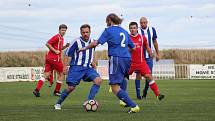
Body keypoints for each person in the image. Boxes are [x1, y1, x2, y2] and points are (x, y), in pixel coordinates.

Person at [79, 13, 140, 114]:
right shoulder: (125, 31)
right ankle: (123, 100)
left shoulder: (108, 30)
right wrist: (123, 51)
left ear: (110, 21)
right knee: (123, 79)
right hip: (127, 58)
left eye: (106, 21)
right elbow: (133, 48)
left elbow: (96, 43)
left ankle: (133, 106)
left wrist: (84, 48)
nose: (106, 23)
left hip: (116, 58)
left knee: (114, 87)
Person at [54, 24, 102, 110]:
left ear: (90, 32)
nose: (85, 34)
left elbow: (92, 52)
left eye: (87, 32)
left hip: (88, 68)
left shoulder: (93, 42)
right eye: (83, 32)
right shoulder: (76, 42)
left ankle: (89, 101)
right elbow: (66, 54)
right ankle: (58, 103)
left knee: (98, 81)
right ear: (80, 32)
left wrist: (93, 62)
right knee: (71, 88)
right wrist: (65, 67)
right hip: (76, 68)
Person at [121, 22, 164, 101]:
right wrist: (129, 49)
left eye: (134, 28)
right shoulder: (127, 38)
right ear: (129, 29)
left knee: (149, 76)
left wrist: (150, 52)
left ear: (137, 29)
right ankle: (122, 96)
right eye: (131, 28)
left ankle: (158, 95)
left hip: (141, 62)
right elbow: (123, 49)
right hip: (130, 63)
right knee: (123, 78)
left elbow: (146, 46)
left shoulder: (142, 37)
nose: (132, 30)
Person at [33, 24, 69, 97]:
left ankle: (36, 90)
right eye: (62, 30)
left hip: (49, 58)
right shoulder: (57, 37)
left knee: (46, 75)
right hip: (55, 59)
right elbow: (48, 43)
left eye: (65, 30)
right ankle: (57, 91)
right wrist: (55, 51)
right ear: (59, 30)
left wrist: (65, 46)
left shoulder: (61, 38)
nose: (63, 32)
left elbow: (59, 49)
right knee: (62, 74)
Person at [134, 17, 160, 99]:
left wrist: (157, 53)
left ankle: (145, 92)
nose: (143, 24)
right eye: (141, 23)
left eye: (144, 22)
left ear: (147, 22)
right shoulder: (136, 30)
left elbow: (155, 41)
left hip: (149, 57)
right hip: (139, 56)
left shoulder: (152, 30)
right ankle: (138, 95)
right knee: (138, 74)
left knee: (148, 75)